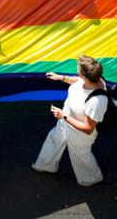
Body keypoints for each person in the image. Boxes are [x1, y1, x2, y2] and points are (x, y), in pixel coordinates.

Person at [32, 54, 109, 186]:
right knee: (54, 138)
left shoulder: (96, 101)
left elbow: (88, 129)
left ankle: (90, 178)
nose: (77, 70)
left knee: (79, 155)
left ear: (85, 75)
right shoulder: (92, 79)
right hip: (65, 120)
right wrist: (61, 78)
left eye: (79, 69)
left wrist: (64, 117)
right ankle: (46, 165)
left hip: (79, 133)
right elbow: (79, 82)